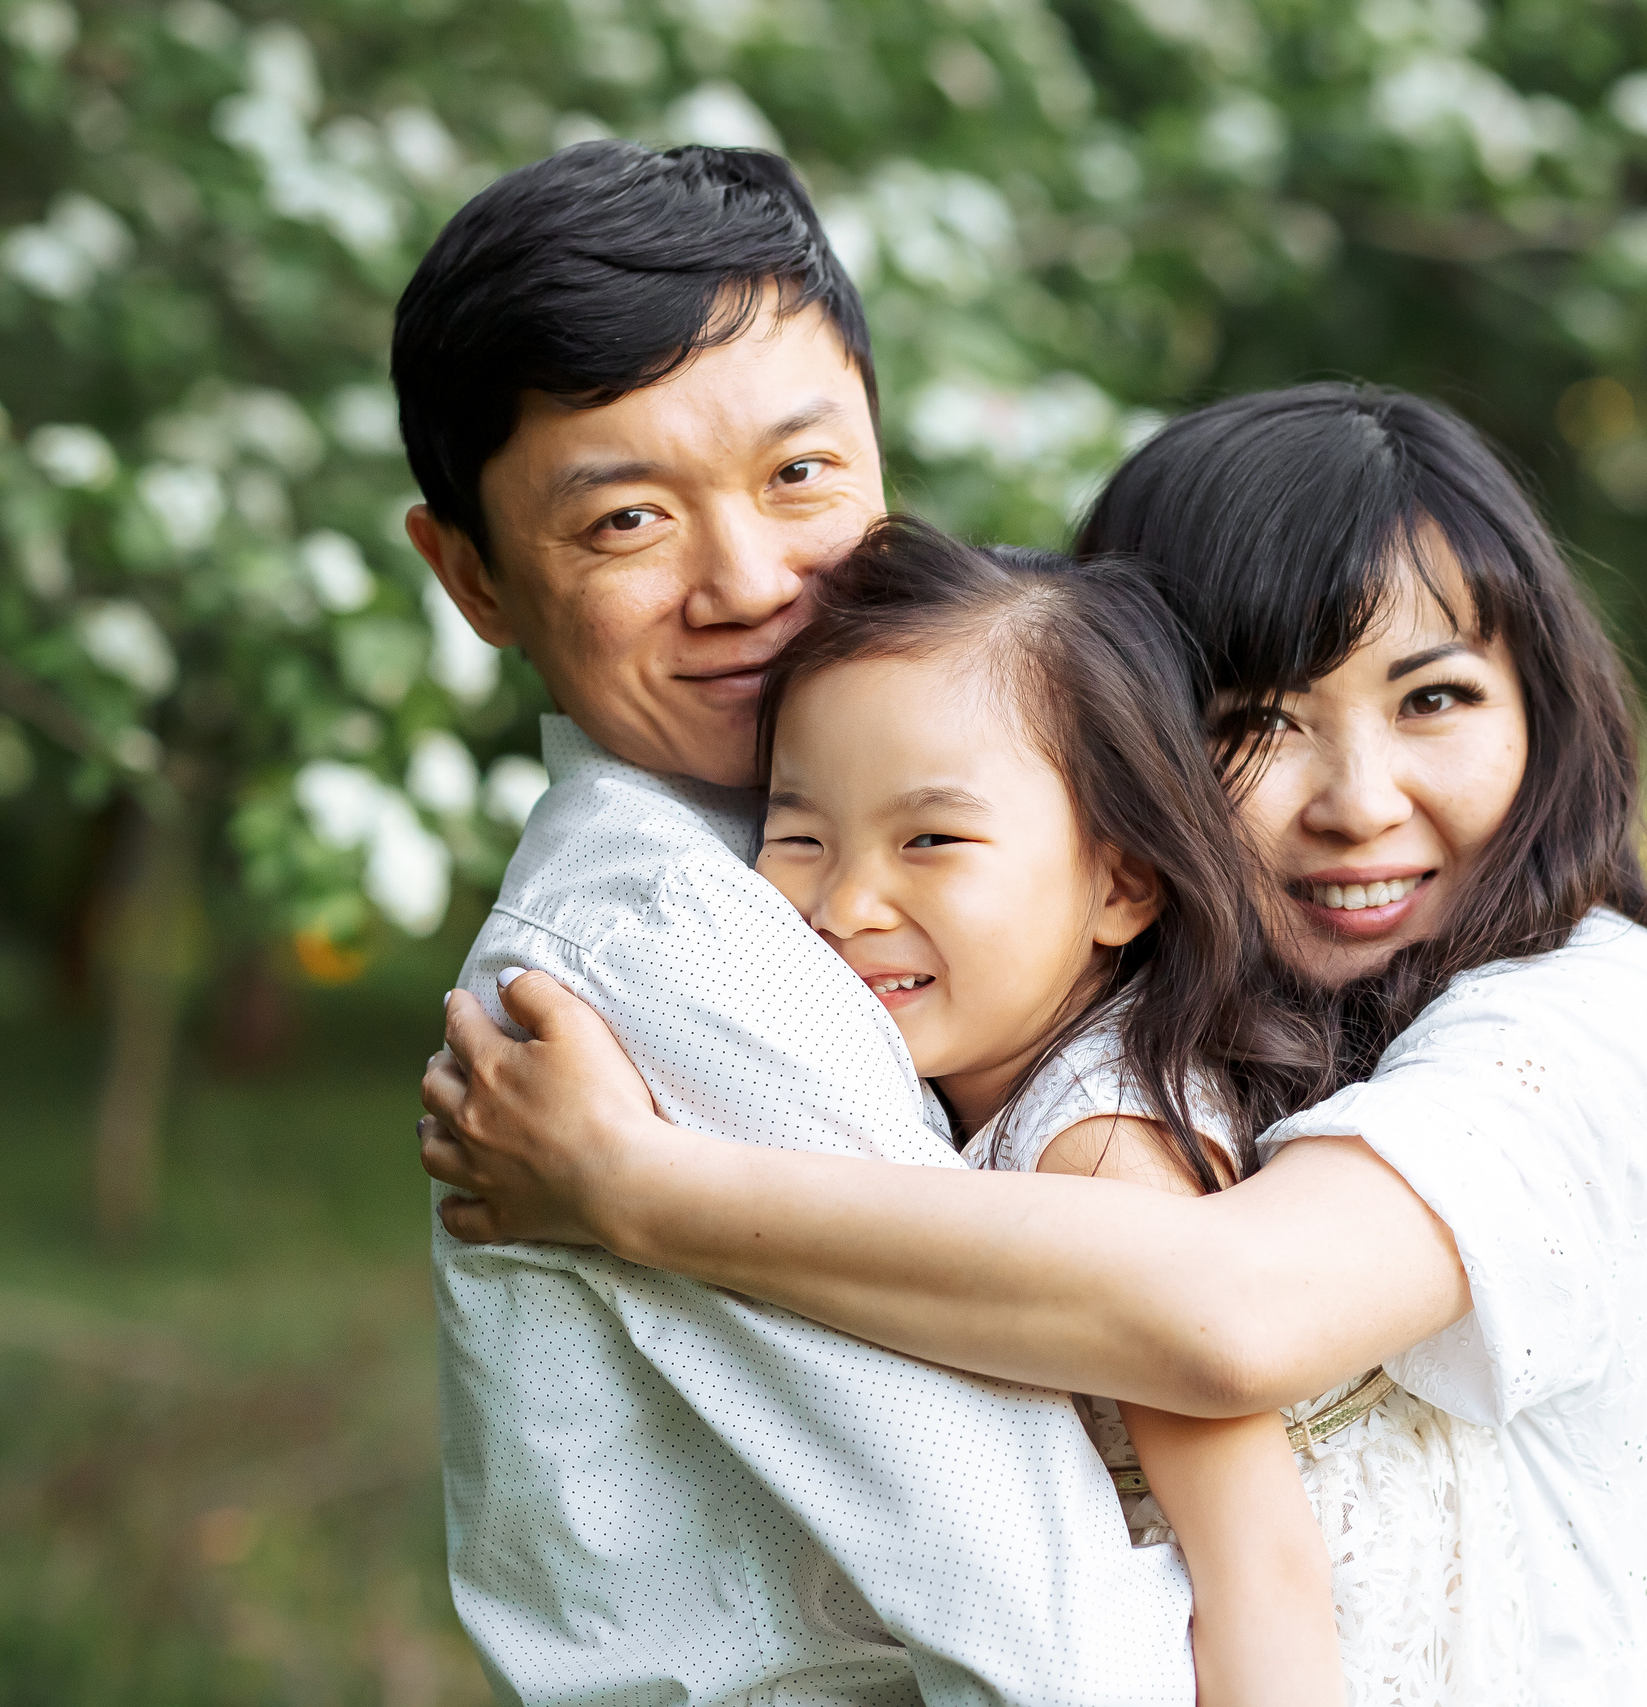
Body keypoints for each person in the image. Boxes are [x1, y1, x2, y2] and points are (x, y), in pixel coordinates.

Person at [422, 384, 1647, 1704]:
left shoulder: (1587, 1010)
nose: (1359, 798)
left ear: (1542, 706)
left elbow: (1229, 1315)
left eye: (1435, 696)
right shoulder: (1205, 1041)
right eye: (1258, 722)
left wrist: (633, 1187)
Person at [395, 141, 1194, 1702]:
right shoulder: (668, 943)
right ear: (472, 577)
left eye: (800, 474)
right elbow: (1035, 1594)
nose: (751, 579)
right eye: (625, 520)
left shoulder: (805, 848)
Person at [747, 512, 1530, 1705]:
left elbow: (1259, 1567)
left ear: (1118, 883)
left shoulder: (1100, 1140)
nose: (846, 900)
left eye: (932, 839)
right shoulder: (947, 1079)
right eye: (797, 833)